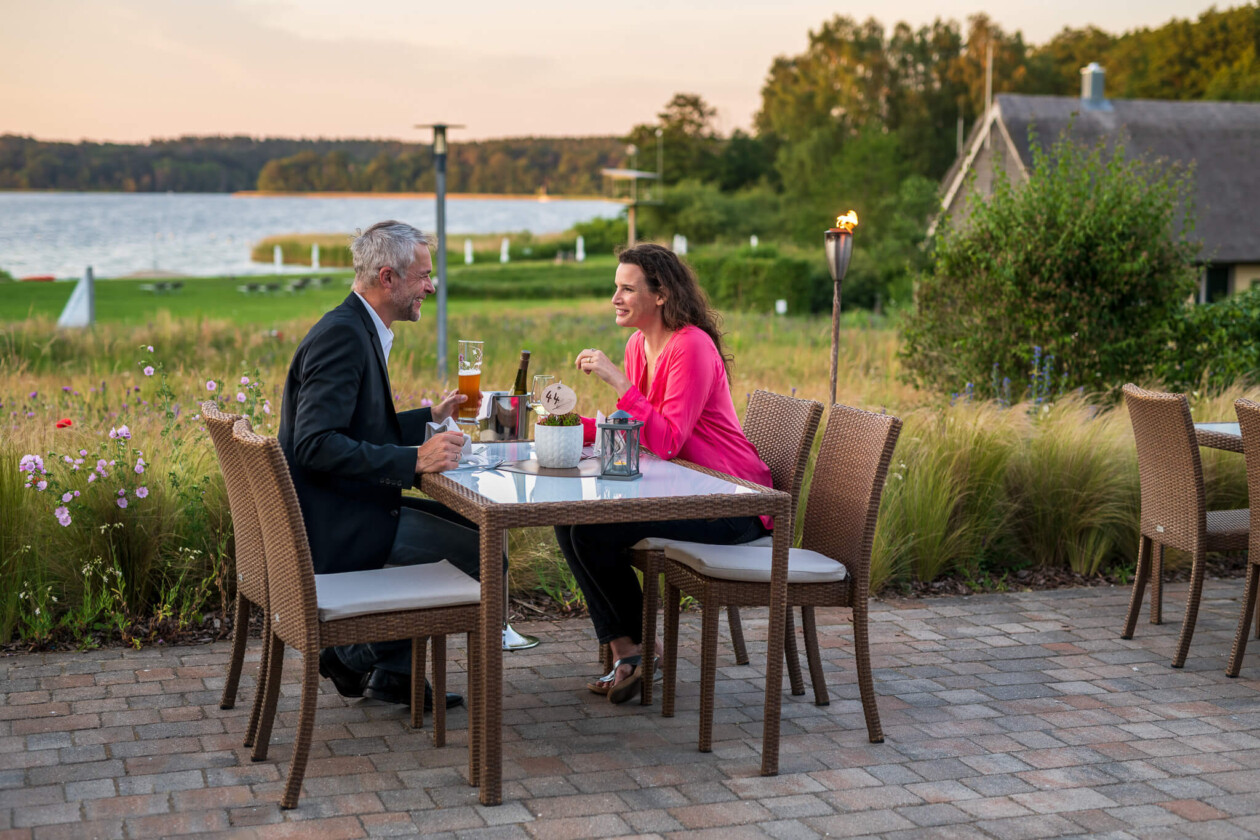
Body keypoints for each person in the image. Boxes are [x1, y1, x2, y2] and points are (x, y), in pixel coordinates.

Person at [558, 242, 773, 704]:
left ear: (660, 295)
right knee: (569, 518)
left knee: (592, 531)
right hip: (688, 493)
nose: (615, 298)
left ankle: (642, 653)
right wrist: (572, 424)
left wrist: (619, 382)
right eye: (615, 287)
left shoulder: (690, 345)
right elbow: (635, 428)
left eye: (627, 289)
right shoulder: (638, 345)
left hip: (734, 504)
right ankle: (628, 652)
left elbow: (668, 440)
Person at [278, 220, 480, 711]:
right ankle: (350, 654)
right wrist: (415, 459)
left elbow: (353, 428)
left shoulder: (356, 327)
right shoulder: (343, 337)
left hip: (341, 508)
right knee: (484, 552)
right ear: (387, 278)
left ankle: (394, 674)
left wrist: (426, 419)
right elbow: (314, 444)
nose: (430, 287)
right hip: (336, 527)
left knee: (477, 526)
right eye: (423, 276)